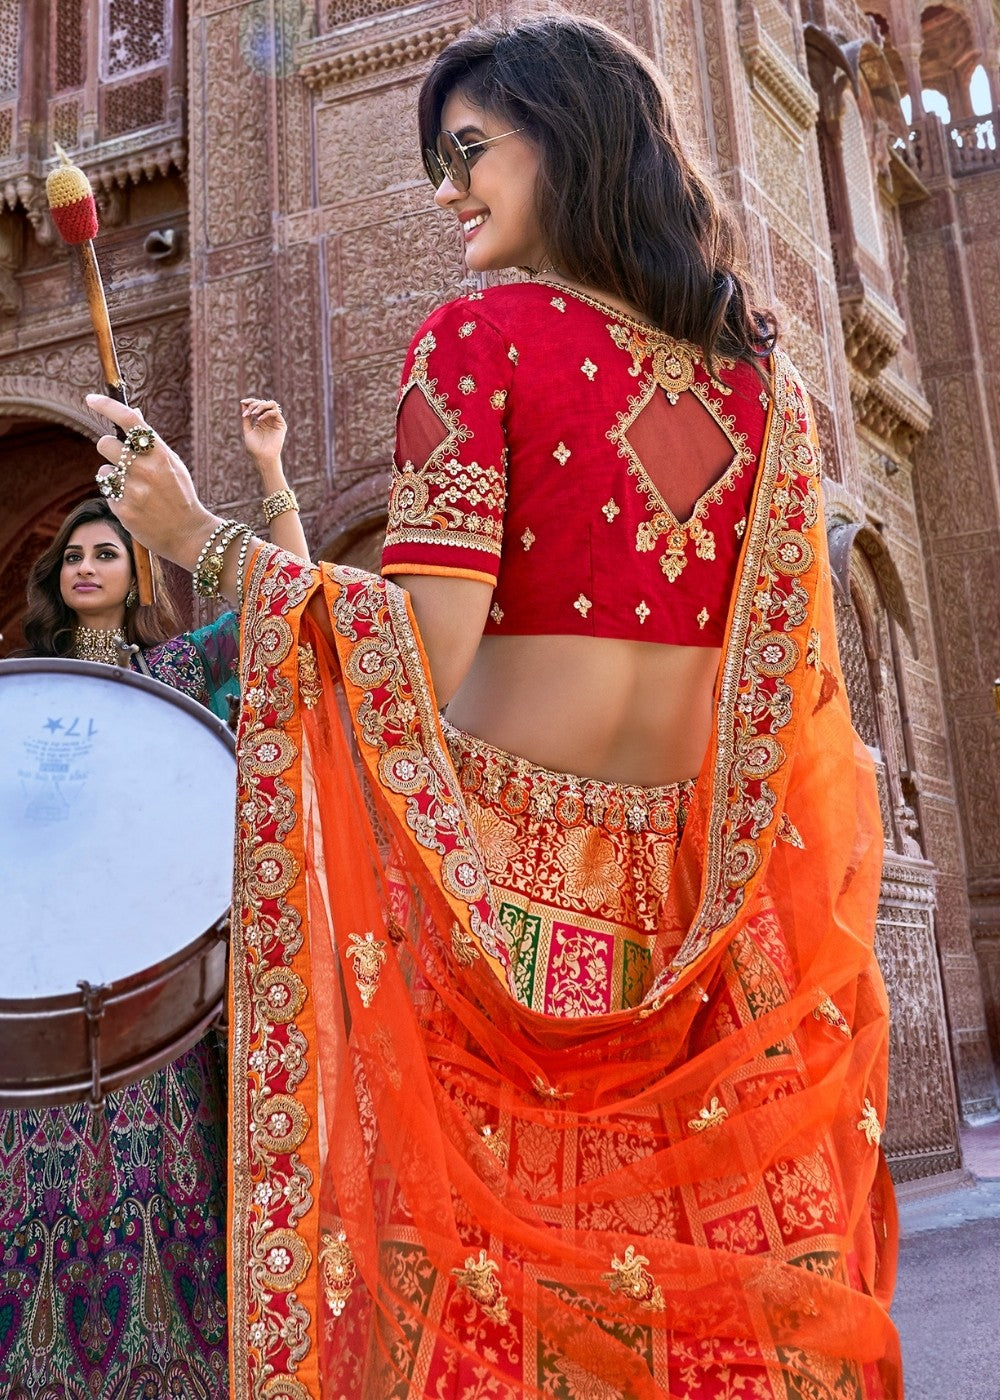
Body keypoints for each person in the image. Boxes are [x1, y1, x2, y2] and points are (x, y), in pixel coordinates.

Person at [84, 14, 898, 1399]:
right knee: (715, 1334)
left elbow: (426, 657)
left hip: (506, 935)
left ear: (571, 147)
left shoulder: (479, 340)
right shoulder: (771, 395)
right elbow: (784, 703)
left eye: (470, 153)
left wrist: (202, 536)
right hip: (709, 935)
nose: (446, 190)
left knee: (509, 1333)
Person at [0, 400, 307, 1398]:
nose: (87, 565)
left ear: (138, 572)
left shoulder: (178, 677)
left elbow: (291, 609)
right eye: (73, 555)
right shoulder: (25, 700)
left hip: (152, 996)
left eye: (108, 550)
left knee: (159, 1192)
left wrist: (268, 474)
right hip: (35, 994)